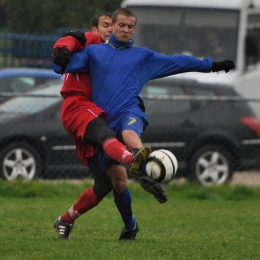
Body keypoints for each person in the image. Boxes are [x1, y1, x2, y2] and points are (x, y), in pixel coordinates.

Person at [53, 7, 235, 239]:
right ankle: (130, 225)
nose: (125, 30)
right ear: (114, 26)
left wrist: (212, 65)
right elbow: (61, 65)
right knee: (115, 182)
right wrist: (63, 53)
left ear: (134, 29)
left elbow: (178, 62)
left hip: (129, 111)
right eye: (121, 25)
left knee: (130, 134)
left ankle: (142, 161)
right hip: (103, 119)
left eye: (130, 26)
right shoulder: (94, 53)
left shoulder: (143, 56)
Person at [53, 12, 165, 242]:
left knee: (111, 183)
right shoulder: (91, 43)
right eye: (107, 25)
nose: (111, 29)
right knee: (111, 147)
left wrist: (130, 99)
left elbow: (114, 82)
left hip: (96, 115)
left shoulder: (106, 53)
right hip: (81, 113)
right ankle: (139, 164)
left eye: (112, 25)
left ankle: (69, 220)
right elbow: (69, 43)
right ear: (94, 29)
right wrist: (64, 46)